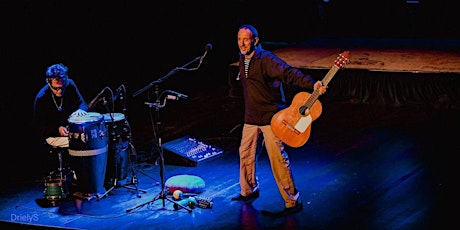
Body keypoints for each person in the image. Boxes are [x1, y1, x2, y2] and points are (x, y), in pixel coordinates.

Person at [230, 24, 327, 217]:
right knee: (245, 154)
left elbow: (288, 73)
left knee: (277, 160)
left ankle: (292, 200)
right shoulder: (242, 58)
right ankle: (248, 190)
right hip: (251, 117)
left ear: (255, 41)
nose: (242, 43)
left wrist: (312, 84)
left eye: (246, 39)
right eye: (239, 39)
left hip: (271, 118)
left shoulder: (266, 59)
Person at [32, 63, 89, 175]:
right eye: (56, 88)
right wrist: (57, 129)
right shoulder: (41, 98)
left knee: (91, 138)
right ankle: (79, 175)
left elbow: (83, 104)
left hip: (71, 131)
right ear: (48, 82)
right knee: (80, 142)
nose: (59, 91)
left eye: (62, 87)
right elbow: (38, 127)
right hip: (52, 135)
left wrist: (80, 110)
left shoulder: (70, 85)